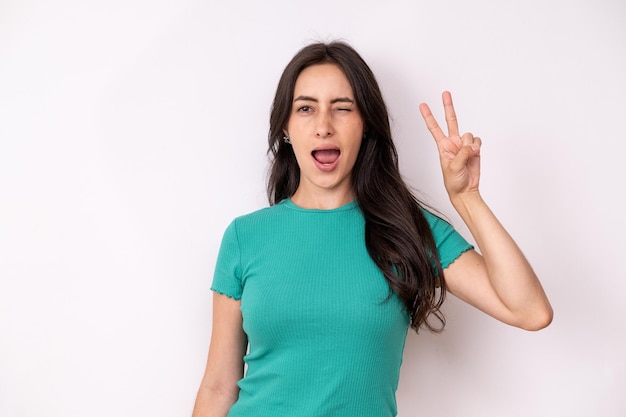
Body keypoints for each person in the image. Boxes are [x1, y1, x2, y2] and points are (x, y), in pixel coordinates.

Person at [191, 41, 553, 417]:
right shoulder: (244, 237)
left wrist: (467, 198)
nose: (323, 127)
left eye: (343, 109)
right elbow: (217, 387)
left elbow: (529, 311)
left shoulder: (406, 230)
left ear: (365, 126)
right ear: (285, 127)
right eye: (306, 109)